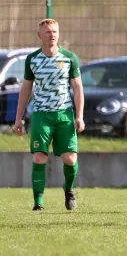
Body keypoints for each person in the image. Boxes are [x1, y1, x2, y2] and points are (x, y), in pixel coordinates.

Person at [13, 19, 85, 211]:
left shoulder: (69, 58)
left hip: (64, 115)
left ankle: (69, 190)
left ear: (59, 34)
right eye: (48, 32)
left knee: (70, 159)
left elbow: (77, 88)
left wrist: (79, 116)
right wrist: (18, 117)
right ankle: (38, 203)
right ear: (40, 36)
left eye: (54, 31)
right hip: (41, 115)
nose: (52, 35)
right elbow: (26, 89)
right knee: (39, 157)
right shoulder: (33, 59)